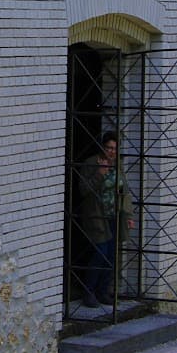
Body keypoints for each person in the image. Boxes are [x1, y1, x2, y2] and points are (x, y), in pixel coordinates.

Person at [74, 132, 130, 308]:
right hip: (96, 216)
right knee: (100, 252)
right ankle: (88, 291)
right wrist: (100, 174)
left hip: (114, 216)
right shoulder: (92, 163)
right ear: (102, 147)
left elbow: (124, 191)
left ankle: (103, 291)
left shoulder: (117, 165)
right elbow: (83, 189)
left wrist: (128, 215)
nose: (111, 152)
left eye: (114, 149)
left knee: (111, 255)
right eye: (108, 148)